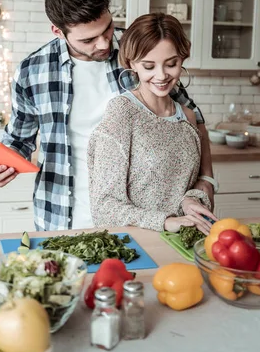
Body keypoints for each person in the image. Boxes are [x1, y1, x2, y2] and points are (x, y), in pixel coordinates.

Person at [0, 0, 217, 231]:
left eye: (107, 29)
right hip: (60, 213)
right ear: (58, 31)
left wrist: (206, 179)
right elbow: (19, 140)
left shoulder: (137, 48)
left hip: (136, 217)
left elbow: (191, 117)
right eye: (88, 40)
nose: (104, 43)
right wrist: (1, 165)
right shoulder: (32, 71)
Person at [88, 13, 217, 234]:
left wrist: (191, 201)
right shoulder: (122, 113)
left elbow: (197, 184)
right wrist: (165, 222)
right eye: (149, 66)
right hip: (139, 244)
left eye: (171, 64)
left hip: (184, 241)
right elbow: (104, 207)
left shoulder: (188, 117)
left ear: (182, 59)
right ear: (132, 64)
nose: (161, 75)